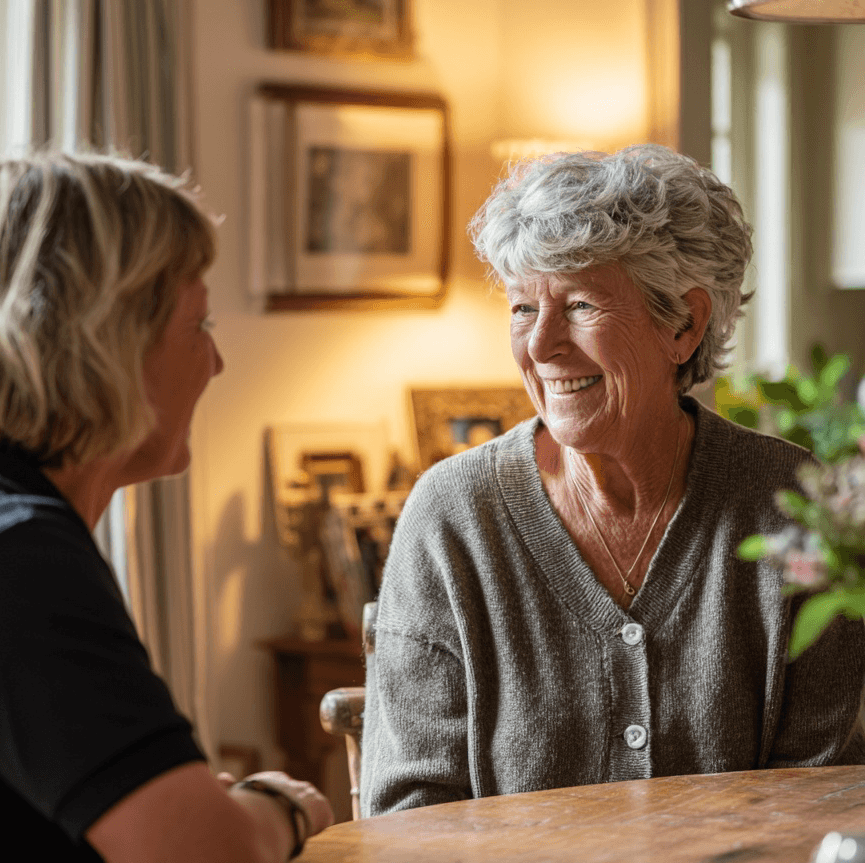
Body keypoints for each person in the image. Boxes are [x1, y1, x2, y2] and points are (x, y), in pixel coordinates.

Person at [0, 151, 333, 863]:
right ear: (109, 348)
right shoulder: (7, 560)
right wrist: (282, 803)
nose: (216, 361)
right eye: (198, 324)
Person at [360, 144, 865, 816]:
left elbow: (825, 799)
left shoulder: (791, 506)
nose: (540, 347)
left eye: (578, 307)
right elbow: (409, 815)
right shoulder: (453, 516)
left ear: (684, 324)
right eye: (521, 309)